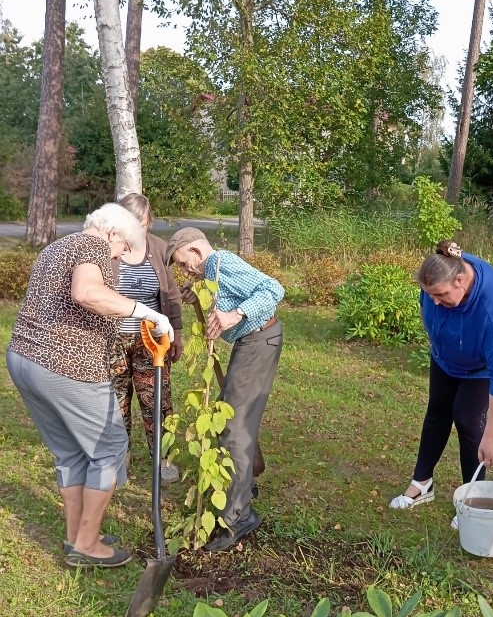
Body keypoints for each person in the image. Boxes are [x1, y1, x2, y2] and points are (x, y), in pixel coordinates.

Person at [6, 203, 174, 568]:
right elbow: (86, 293)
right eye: (123, 248)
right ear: (113, 233)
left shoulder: (57, 246)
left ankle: (77, 536)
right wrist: (145, 311)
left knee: (71, 452)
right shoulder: (93, 246)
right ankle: (86, 545)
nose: (121, 256)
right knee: (110, 448)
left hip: (24, 358)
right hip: (66, 365)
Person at [390, 240, 493, 529]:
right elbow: (432, 307)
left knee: (466, 417)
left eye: (440, 295)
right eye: (430, 295)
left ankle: (473, 500)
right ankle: (422, 483)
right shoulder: (441, 275)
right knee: (437, 410)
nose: (435, 301)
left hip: (481, 365)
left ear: (460, 281)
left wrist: (492, 437)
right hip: (446, 354)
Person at [165, 227, 284, 552]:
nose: (186, 270)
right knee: (230, 417)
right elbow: (229, 294)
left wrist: (236, 313)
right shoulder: (213, 272)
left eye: (185, 263)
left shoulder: (220, 261)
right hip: (254, 342)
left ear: (196, 251)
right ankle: (242, 489)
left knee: (233, 428)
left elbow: (273, 288)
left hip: (259, 342)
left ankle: (238, 516)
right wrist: (198, 295)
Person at [111, 194, 183, 482]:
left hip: (151, 338)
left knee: (158, 399)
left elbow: (171, 293)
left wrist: (175, 334)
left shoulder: (158, 247)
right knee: (115, 400)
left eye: (141, 223)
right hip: (112, 337)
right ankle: (120, 457)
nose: (136, 230)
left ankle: (163, 458)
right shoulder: (108, 248)